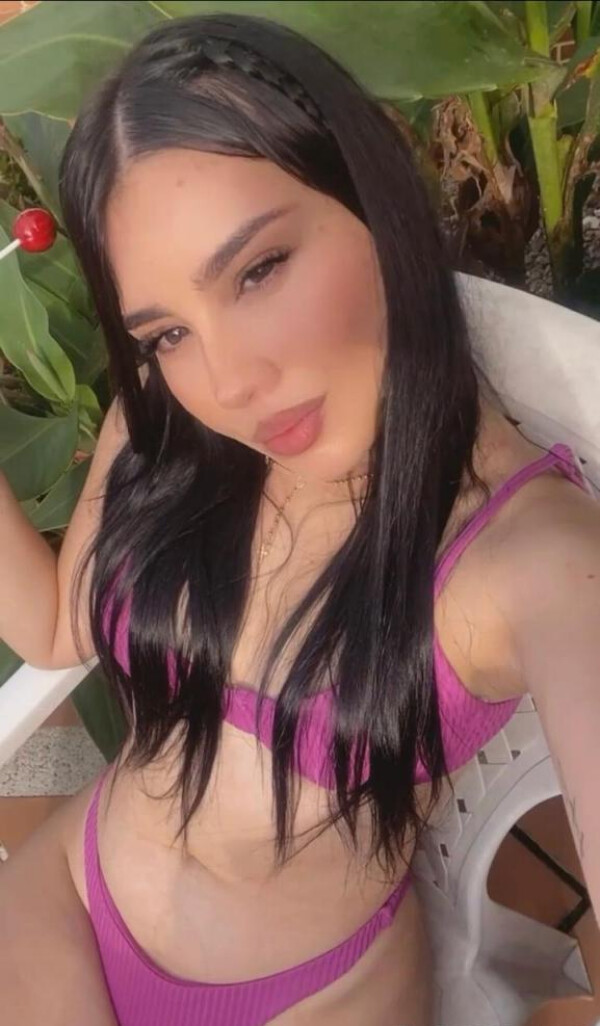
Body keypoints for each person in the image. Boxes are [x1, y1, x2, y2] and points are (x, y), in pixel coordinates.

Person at [1, 12, 599, 1026]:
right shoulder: (169, 421)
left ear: (373, 193)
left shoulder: (529, 559)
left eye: (259, 270)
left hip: (306, 999)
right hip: (69, 893)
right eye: (167, 332)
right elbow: (57, 628)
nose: (230, 383)